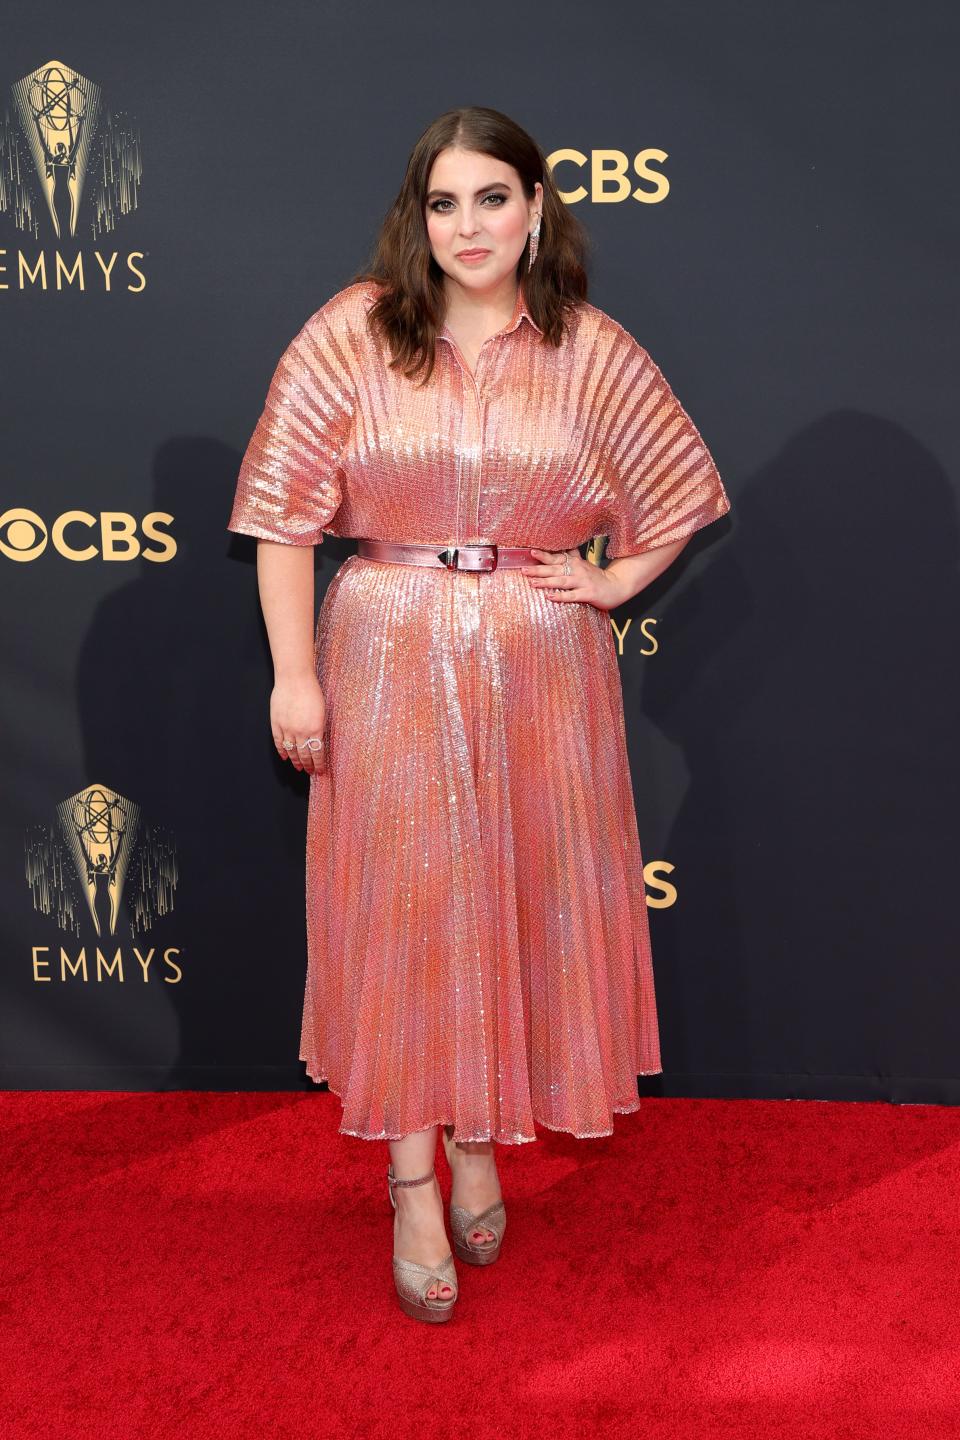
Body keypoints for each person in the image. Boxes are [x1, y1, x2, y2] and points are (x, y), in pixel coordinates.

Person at [226, 105, 731, 1324]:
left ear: (536, 206)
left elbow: (678, 485)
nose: (469, 227)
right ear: (418, 216)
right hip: (387, 650)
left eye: (492, 198)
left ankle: (478, 1142)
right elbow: (284, 521)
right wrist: (296, 674)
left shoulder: (592, 349)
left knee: (511, 903)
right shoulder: (351, 334)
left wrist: (612, 579)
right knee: (404, 914)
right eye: (445, 203)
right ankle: (412, 1173)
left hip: (542, 668)